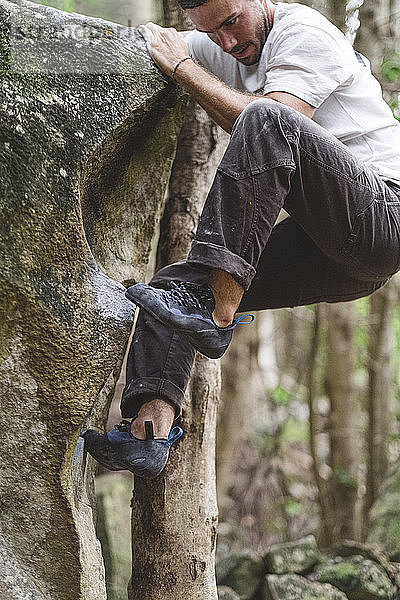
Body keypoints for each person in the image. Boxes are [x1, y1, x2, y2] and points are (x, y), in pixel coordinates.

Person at [82, 0, 400, 478]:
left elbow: (271, 121)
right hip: (338, 259)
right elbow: (154, 42)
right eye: (211, 33)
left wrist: (186, 71)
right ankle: (147, 433)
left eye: (231, 22)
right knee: (172, 289)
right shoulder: (224, 42)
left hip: (385, 216)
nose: (227, 43)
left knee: (265, 121)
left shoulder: (304, 34)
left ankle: (217, 311)